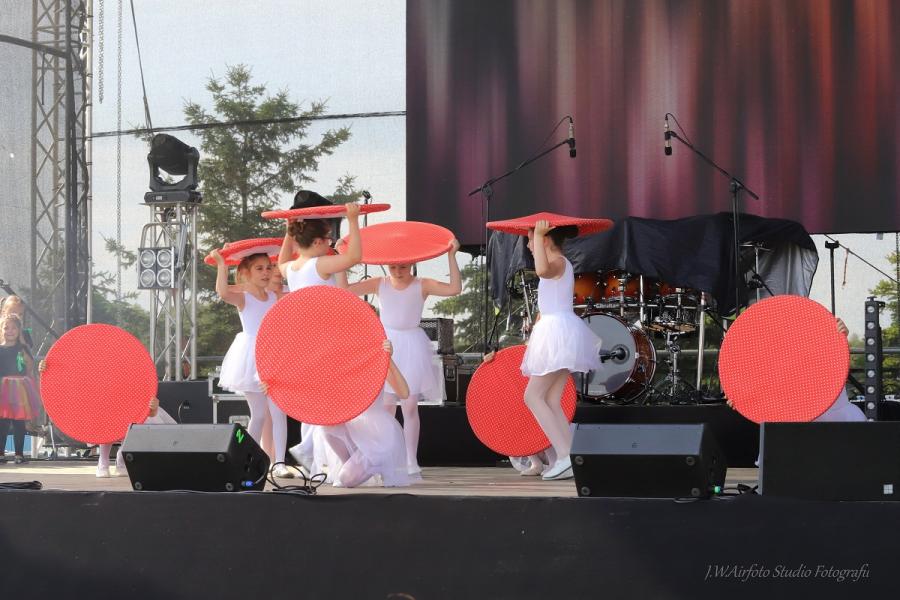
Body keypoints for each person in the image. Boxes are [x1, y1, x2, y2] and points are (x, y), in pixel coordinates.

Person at [344, 239, 462, 475]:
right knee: (387, 407)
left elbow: (454, 288)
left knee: (409, 407)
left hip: (413, 345)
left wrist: (452, 255)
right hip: (386, 345)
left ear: (412, 264)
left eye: (403, 266)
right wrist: (343, 258)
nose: (398, 271)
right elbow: (345, 289)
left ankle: (410, 460)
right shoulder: (379, 283)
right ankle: (385, 458)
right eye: (393, 267)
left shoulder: (422, 284)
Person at [276, 191, 362, 477]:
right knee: (327, 400)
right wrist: (353, 220)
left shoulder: (291, 268)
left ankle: (315, 455)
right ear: (316, 242)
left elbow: (281, 260)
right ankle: (314, 449)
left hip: (304, 340)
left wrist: (289, 227)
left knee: (312, 398)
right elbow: (355, 256)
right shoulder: (319, 264)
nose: (329, 242)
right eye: (326, 238)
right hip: (325, 339)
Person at [517, 220, 601, 480]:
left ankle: (564, 454)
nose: (529, 246)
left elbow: (542, 269)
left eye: (531, 240)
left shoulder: (558, 263)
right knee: (551, 399)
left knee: (533, 397)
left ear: (544, 239)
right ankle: (571, 456)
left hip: (558, 335)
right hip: (556, 334)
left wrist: (538, 234)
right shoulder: (559, 264)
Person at [210, 249, 291, 476]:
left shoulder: (275, 296)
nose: (266, 272)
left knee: (279, 412)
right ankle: (247, 460)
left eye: (268, 267)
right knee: (259, 415)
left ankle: (279, 463)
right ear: (246, 272)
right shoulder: (244, 297)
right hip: (251, 358)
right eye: (259, 268)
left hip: (273, 356)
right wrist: (222, 264)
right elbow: (223, 292)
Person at [320, 339, 410, 487]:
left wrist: (389, 359)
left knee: (346, 479)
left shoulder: (377, 361)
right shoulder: (340, 363)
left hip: (377, 434)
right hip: (355, 428)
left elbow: (404, 393)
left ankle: (376, 463)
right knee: (327, 425)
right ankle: (351, 464)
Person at [0, 314, 38, 464]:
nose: (10, 331)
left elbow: (29, 365)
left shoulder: (22, 348)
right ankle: (0, 453)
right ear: (1, 329)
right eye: (6, 328)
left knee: (19, 422)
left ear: (19, 330)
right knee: (2, 421)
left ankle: (19, 454)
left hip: (19, 389)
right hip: (2, 388)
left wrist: (23, 348)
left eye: (14, 328)